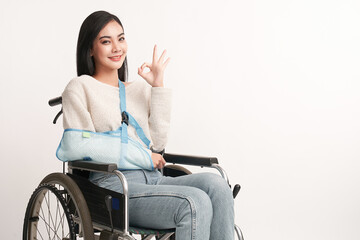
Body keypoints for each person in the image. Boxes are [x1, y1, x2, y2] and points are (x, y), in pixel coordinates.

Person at [61, 10, 234, 240]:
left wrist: (158, 87)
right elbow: (78, 146)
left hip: (154, 179)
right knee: (195, 202)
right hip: (114, 187)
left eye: (121, 38)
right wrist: (141, 157)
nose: (116, 47)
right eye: (106, 41)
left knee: (218, 186)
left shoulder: (138, 89)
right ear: (90, 49)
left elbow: (158, 144)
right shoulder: (80, 88)